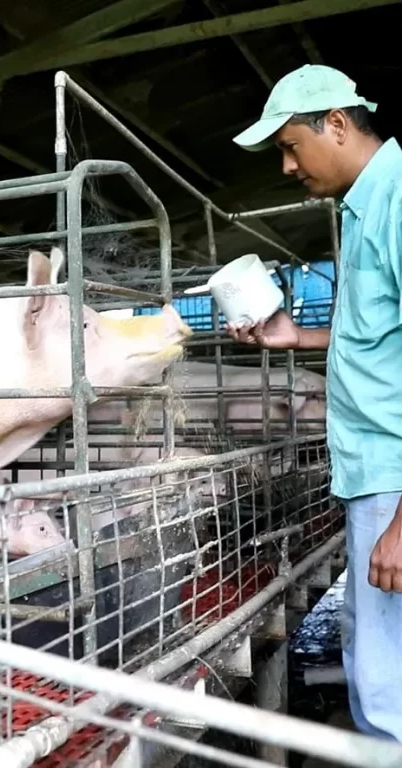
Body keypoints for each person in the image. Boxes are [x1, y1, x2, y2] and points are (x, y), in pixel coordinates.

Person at [228, 64, 402, 742]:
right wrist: (295, 335)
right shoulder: (367, 206)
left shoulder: (396, 199)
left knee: (384, 679)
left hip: (393, 475)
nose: (286, 166)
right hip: (377, 475)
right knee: (378, 659)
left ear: (336, 123)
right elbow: (378, 334)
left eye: (289, 145)